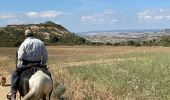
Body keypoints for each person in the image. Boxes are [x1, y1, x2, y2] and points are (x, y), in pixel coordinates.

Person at [8, 29, 48, 100]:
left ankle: (13, 93)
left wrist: (18, 67)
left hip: (27, 64)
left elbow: (20, 58)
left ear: (25, 35)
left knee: (14, 74)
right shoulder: (40, 42)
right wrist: (43, 64)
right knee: (48, 75)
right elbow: (45, 55)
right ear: (32, 35)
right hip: (39, 64)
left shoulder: (24, 44)